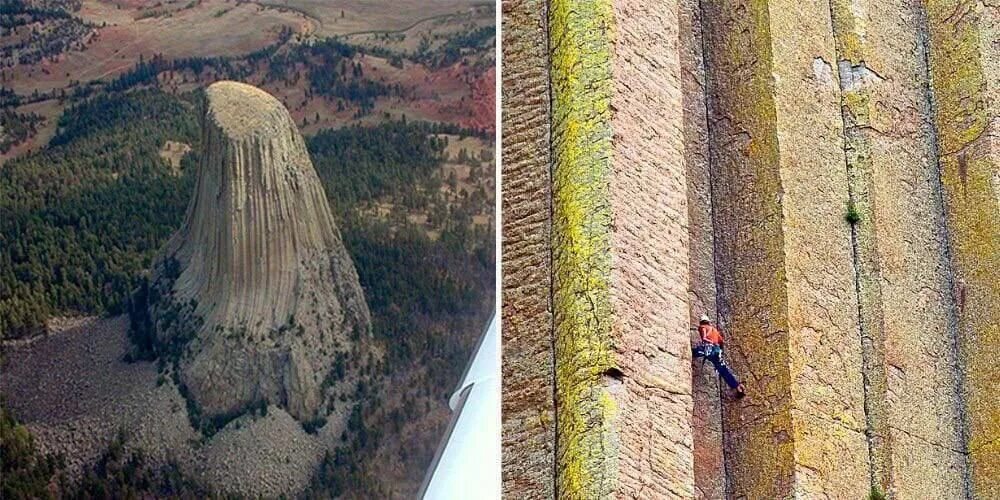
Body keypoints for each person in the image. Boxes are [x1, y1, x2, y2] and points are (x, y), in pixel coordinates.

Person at [693, 314, 746, 398]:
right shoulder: (714, 330)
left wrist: (709, 343)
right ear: (709, 322)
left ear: (701, 322)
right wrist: (719, 351)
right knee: (723, 370)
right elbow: (721, 341)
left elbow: (704, 338)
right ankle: (737, 386)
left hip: (709, 349)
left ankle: (692, 354)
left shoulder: (702, 327)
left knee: (695, 352)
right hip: (717, 351)